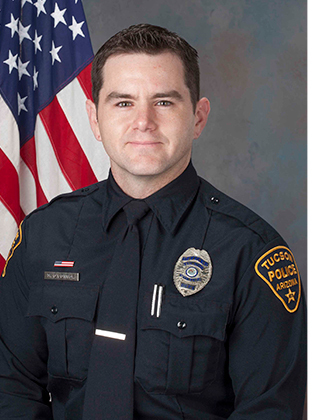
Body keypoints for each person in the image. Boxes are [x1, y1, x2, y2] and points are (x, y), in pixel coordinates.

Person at [0, 23, 306, 420]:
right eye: (122, 102)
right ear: (94, 118)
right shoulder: (45, 235)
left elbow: (268, 411)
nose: (143, 121)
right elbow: (12, 388)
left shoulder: (251, 254)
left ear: (198, 117)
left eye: (164, 102)